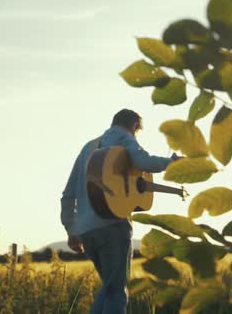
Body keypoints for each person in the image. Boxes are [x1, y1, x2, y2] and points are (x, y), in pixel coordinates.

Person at [60, 109, 179, 314]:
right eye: (137, 132)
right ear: (134, 126)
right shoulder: (123, 137)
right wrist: (172, 163)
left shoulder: (88, 148)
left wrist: (71, 230)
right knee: (115, 291)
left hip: (87, 233)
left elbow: (68, 194)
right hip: (113, 227)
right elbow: (143, 162)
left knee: (110, 287)